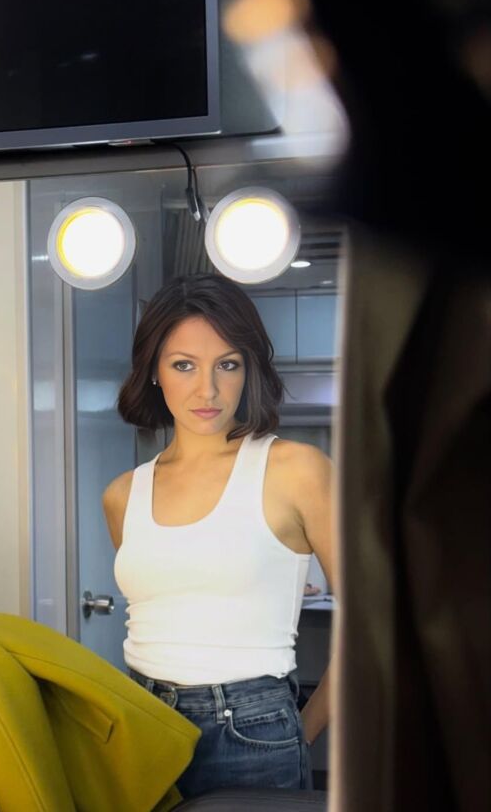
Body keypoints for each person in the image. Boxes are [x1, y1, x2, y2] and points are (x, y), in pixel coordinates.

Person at [102, 272, 336, 799]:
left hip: (251, 733)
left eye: (227, 364)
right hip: (141, 725)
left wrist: (298, 734)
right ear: (155, 371)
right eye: (184, 365)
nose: (207, 389)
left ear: (248, 370)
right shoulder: (122, 494)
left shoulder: (297, 470)